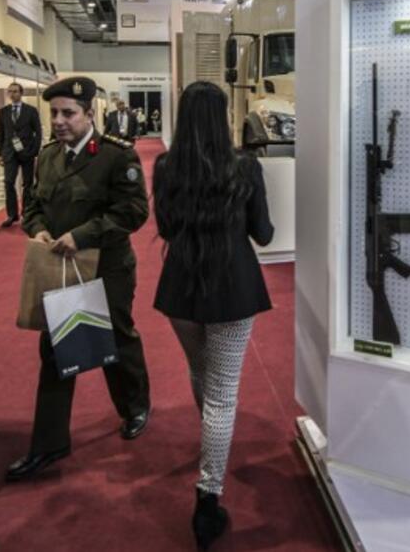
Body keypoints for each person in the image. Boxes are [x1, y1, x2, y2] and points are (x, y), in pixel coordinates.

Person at [6, 76, 153, 481]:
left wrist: (82, 235)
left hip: (107, 267)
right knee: (54, 350)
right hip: (58, 268)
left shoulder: (115, 156)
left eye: (68, 113)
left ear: (90, 114)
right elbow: (33, 203)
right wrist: (35, 228)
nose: (58, 121)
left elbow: (133, 212)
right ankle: (48, 443)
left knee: (117, 339)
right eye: (53, 113)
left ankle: (135, 406)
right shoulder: (48, 156)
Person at [151, 81, 274, 550]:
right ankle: (207, 501)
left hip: (180, 288)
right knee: (222, 392)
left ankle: (212, 445)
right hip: (233, 289)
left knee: (201, 373)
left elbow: (164, 226)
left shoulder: (166, 166)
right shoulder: (244, 166)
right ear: (223, 116)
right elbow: (262, 234)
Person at [0, 82, 42, 227]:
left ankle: (26, 213)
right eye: (10, 91)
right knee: (9, 182)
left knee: (27, 184)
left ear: (21, 93)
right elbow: (0, 134)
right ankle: (12, 214)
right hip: (9, 152)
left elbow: (38, 132)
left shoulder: (31, 111)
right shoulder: (4, 111)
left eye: (15, 91)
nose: (13, 94)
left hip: (27, 152)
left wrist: (34, 150)